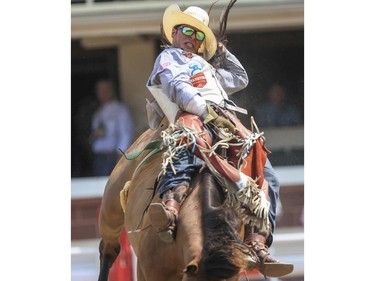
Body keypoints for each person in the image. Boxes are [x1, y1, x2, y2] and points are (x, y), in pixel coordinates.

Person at [145, 4, 293, 278]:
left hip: (224, 118)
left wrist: (221, 52)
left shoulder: (206, 66)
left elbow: (240, 78)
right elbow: (177, 86)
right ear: (175, 32)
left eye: (199, 35)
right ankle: (171, 207)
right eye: (187, 30)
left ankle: (258, 241)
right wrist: (205, 111)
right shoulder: (169, 57)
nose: (192, 38)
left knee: (266, 173)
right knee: (187, 140)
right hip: (192, 114)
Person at [90, 79, 133, 176]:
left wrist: (120, 155)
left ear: (111, 91)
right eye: (99, 90)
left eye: (105, 89)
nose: (102, 93)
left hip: (113, 156)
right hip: (99, 156)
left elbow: (125, 133)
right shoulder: (98, 112)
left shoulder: (120, 110)